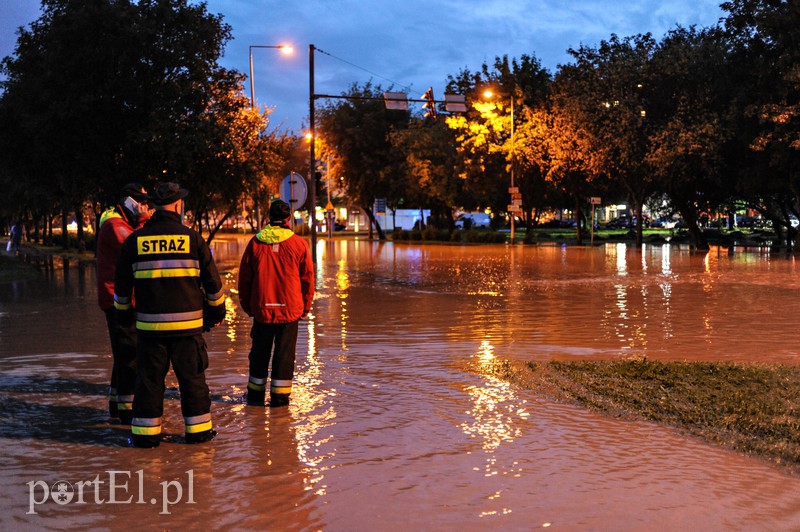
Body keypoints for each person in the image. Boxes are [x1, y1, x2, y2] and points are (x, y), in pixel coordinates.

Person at [114, 182, 226, 448]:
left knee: (149, 382)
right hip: (188, 331)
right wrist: (214, 314)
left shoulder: (135, 241)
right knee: (193, 382)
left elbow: (121, 292)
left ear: (153, 206)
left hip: (150, 331)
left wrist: (125, 318)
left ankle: (145, 439)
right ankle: (198, 436)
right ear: (178, 206)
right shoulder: (193, 239)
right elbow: (214, 287)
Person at [238, 200, 315, 407]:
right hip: (290, 311)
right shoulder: (299, 244)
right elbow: (307, 279)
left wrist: (247, 305)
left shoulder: (255, 243)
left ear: (268, 218)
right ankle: (280, 403)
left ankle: (254, 399)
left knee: (259, 354)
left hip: (262, 309)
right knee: (284, 356)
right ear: (288, 219)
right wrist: (306, 307)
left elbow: (244, 279)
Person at [96, 183, 151, 423]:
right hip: (117, 302)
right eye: (142, 202)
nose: (146, 206)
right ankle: (128, 413)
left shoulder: (117, 221)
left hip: (121, 298)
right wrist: (143, 220)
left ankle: (116, 405)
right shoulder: (114, 225)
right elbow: (137, 247)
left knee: (122, 354)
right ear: (130, 202)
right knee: (129, 355)